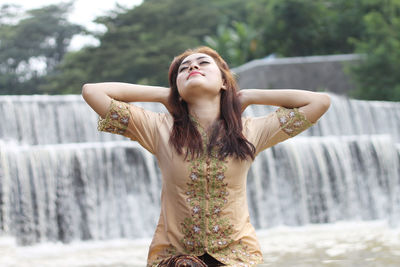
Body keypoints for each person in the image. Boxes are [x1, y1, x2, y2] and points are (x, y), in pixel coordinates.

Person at [82, 46, 331, 267]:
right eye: (183, 68)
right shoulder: (156, 128)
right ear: (177, 90)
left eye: (203, 63)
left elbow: (318, 102)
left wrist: (249, 96)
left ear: (224, 81)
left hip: (238, 258)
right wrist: (163, 95)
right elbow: (93, 92)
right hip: (174, 259)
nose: (192, 66)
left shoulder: (251, 131)